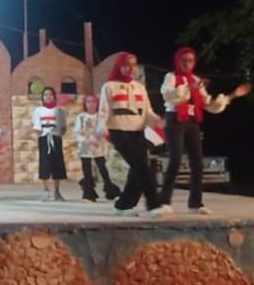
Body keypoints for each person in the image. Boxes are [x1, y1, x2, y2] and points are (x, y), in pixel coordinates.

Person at [159, 47, 251, 214]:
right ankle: (164, 201)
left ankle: (195, 203)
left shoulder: (196, 79)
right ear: (178, 61)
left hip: (192, 120)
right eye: (184, 60)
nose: (187, 63)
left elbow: (208, 104)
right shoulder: (171, 77)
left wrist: (231, 96)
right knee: (175, 160)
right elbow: (168, 96)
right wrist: (190, 87)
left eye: (190, 61)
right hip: (175, 119)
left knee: (197, 162)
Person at [97, 52, 171, 218]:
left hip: (137, 131)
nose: (130, 68)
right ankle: (153, 204)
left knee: (138, 168)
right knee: (142, 166)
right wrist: (102, 126)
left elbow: (147, 112)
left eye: (133, 65)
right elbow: (103, 111)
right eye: (126, 65)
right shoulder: (109, 86)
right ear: (119, 66)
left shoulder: (139, 87)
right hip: (118, 131)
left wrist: (156, 120)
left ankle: (123, 205)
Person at [74, 94, 121, 202]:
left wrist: (102, 140)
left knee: (103, 169)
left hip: (98, 146)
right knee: (87, 171)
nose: (91, 104)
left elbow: (105, 131)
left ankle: (111, 191)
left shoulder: (101, 117)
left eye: (93, 101)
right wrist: (87, 140)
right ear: (85, 104)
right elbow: (77, 132)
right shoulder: (81, 117)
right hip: (85, 147)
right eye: (88, 101)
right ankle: (89, 194)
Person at [32, 87, 68, 201]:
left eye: (50, 94)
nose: (48, 97)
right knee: (44, 164)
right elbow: (37, 126)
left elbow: (63, 127)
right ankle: (46, 191)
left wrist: (57, 134)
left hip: (56, 139)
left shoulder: (59, 110)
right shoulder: (38, 110)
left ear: (54, 96)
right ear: (42, 97)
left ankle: (57, 191)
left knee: (57, 164)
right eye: (46, 95)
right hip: (44, 139)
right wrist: (42, 135)